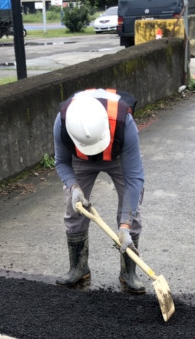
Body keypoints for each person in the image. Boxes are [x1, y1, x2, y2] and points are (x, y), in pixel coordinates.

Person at [53, 89, 146, 293]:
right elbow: (61, 161)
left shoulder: (123, 123)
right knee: (73, 208)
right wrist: (73, 186)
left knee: (132, 213)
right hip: (80, 160)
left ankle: (129, 272)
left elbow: (134, 179)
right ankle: (78, 268)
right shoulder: (63, 121)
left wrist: (124, 226)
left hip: (118, 156)